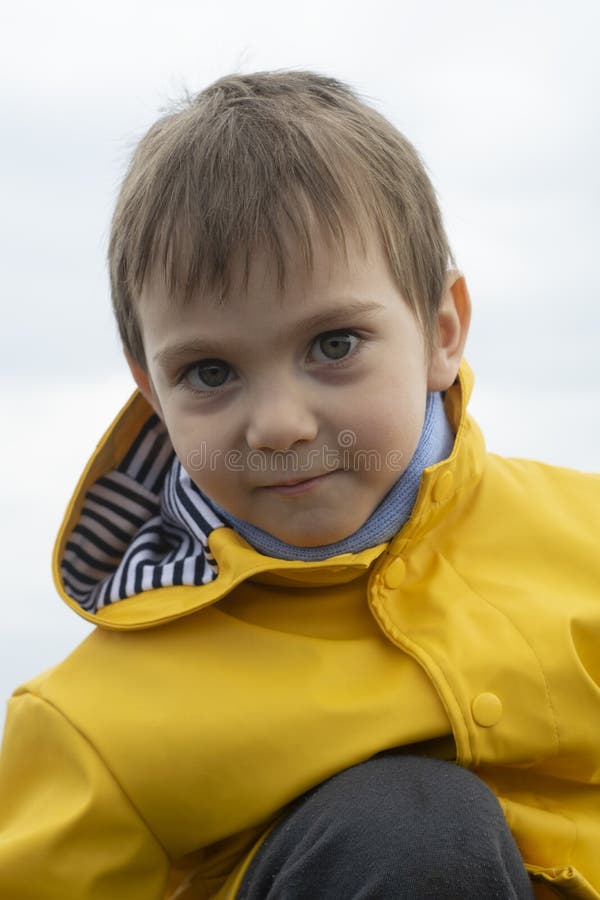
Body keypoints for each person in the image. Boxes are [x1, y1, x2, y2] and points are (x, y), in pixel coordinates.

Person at [0, 70, 598, 900]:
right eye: (210, 371)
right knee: (410, 823)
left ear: (441, 331)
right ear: (153, 395)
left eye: (333, 345)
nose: (278, 426)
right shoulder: (94, 725)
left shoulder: (584, 537)